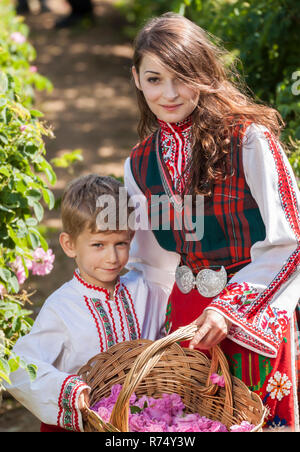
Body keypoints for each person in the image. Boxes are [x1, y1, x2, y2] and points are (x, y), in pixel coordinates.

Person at [124, 12, 300, 431]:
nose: (168, 93)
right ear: (135, 78)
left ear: (204, 74)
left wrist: (230, 310)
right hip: (185, 327)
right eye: (153, 79)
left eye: (181, 77)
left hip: (252, 315)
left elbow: (292, 240)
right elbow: (151, 265)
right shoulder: (140, 163)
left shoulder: (250, 140)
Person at [5, 174, 169, 432]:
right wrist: (69, 390)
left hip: (140, 422)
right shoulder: (62, 306)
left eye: (121, 243)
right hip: (82, 424)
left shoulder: (145, 291)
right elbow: (21, 367)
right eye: (98, 245)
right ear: (69, 245)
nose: (112, 257)